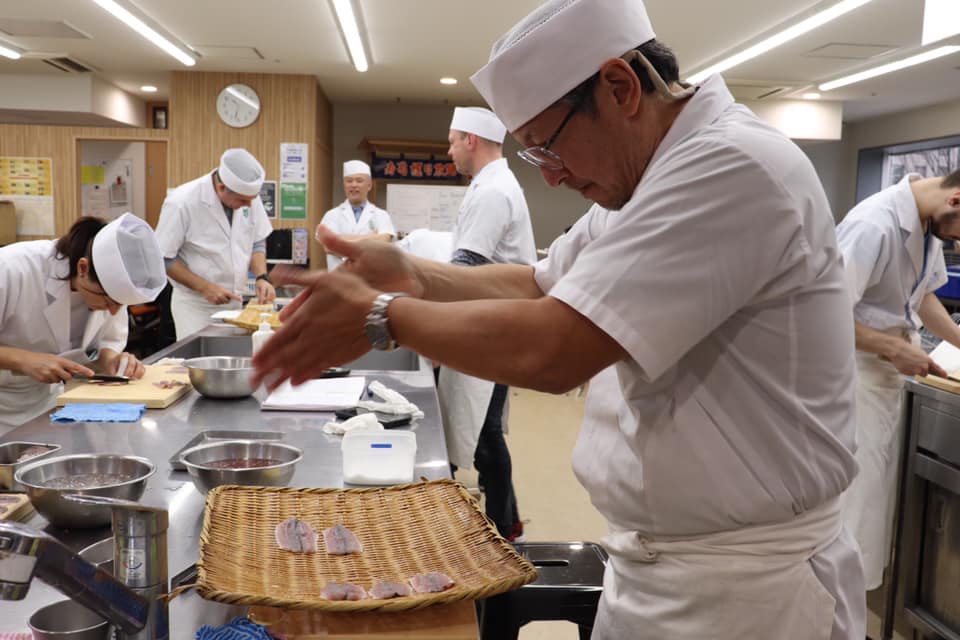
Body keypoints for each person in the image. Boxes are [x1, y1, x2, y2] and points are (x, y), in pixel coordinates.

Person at [252, 0, 865, 637]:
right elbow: (539, 284)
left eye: (549, 147)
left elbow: (555, 349)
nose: (553, 179)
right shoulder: (644, 179)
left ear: (621, 87)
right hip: (658, 562)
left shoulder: (732, 165)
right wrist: (413, 274)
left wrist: (384, 317)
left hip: (748, 590)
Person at [836, 169, 960, 592]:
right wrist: (890, 348)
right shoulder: (873, 224)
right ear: (956, 200)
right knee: (855, 507)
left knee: (872, 509)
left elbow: (922, 295)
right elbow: (822, 312)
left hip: (887, 379)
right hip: (853, 378)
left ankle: (849, 615)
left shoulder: (928, 224)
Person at [440, 106, 537, 541]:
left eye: (453, 140)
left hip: (491, 327)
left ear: (471, 141)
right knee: (486, 430)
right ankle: (505, 520)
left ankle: (502, 526)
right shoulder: (491, 184)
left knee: (484, 432)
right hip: (491, 322)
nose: (450, 150)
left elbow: (465, 265)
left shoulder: (493, 191)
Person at [0, 213, 166, 430]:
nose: (114, 311)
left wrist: (109, 359)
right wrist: (23, 359)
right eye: (109, 300)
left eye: (121, 304)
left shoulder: (106, 288)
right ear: (83, 268)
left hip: (45, 401)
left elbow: (102, 345)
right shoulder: (11, 268)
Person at [155, 148, 275, 339]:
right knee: (197, 364)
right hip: (196, 308)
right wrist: (205, 288)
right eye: (243, 201)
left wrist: (262, 276)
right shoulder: (182, 202)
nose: (249, 206)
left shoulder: (249, 197)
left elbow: (257, 240)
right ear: (221, 188)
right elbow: (163, 258)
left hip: (235, 304)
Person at [318, 160, 395, 270]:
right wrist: (371, 238)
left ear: (369, 185)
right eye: (349, 181)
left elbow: (384, 242)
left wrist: (341, 240)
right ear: (344, 185)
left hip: (370, 280)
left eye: (359, 181)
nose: (354, 185)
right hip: (339, 280)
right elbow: (329, 246)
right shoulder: (332, 215)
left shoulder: (381, 215)